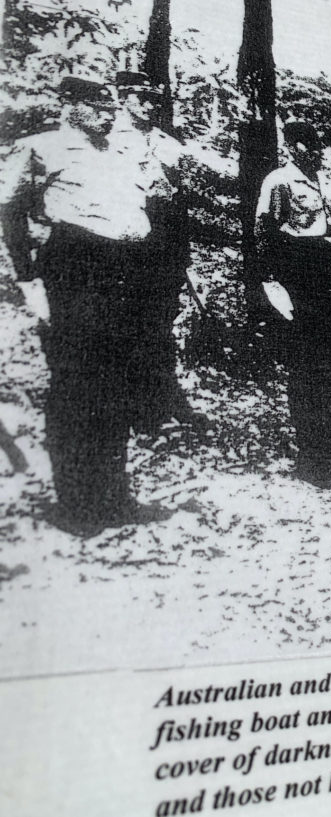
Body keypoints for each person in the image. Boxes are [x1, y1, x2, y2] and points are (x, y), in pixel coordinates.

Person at [0, 76, 173, 535]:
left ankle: (114, 496)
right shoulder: (43, 147)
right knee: (78, 384)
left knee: (116, 383)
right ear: (70, 104)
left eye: (112, 106)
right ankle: (78, 505)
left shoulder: (119, 149)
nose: (110, 113)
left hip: (125, 269)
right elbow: (11, 211)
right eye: (98, 105)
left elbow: (151, 200)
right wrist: (28, 279)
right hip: (75, 267)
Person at [255, 120, 331, 487]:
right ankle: (312, 459)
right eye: (304, 144)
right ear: (290, 146)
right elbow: (264, 233)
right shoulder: (278, 181)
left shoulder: (326, 184)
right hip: (298, 277)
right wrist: (272, 282)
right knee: (305, 371)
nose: (313, 150)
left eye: (316, 144)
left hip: (330, 278)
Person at [110, 70, 208, 433]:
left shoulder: (166, 142)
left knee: (161, 323)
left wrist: (182, 252)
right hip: (125, 245)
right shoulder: (108, 139)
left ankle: (166, 399)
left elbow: (185, 191)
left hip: (165, 245)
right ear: (122, 97)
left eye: (153, 98)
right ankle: (138, 412)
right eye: (141, 98)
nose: (150, 105)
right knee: (129, 324)